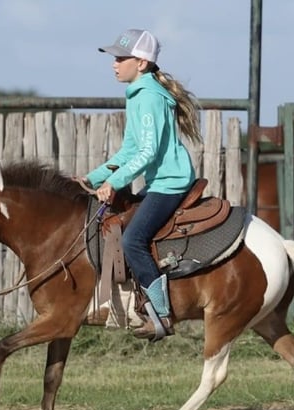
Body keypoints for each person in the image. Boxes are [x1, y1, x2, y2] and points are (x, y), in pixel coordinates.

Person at [80, 29, 202, 340]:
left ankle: (161, 313)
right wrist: (92, 178)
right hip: (158, 183)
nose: (114, 64)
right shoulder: (138, 94)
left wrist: (114, 182)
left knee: (133, 239)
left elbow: (147, 153)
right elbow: (129, 151)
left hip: (169, 183)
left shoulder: (148, 97)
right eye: (114, 58)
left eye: (121, 58)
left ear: (142, 63)